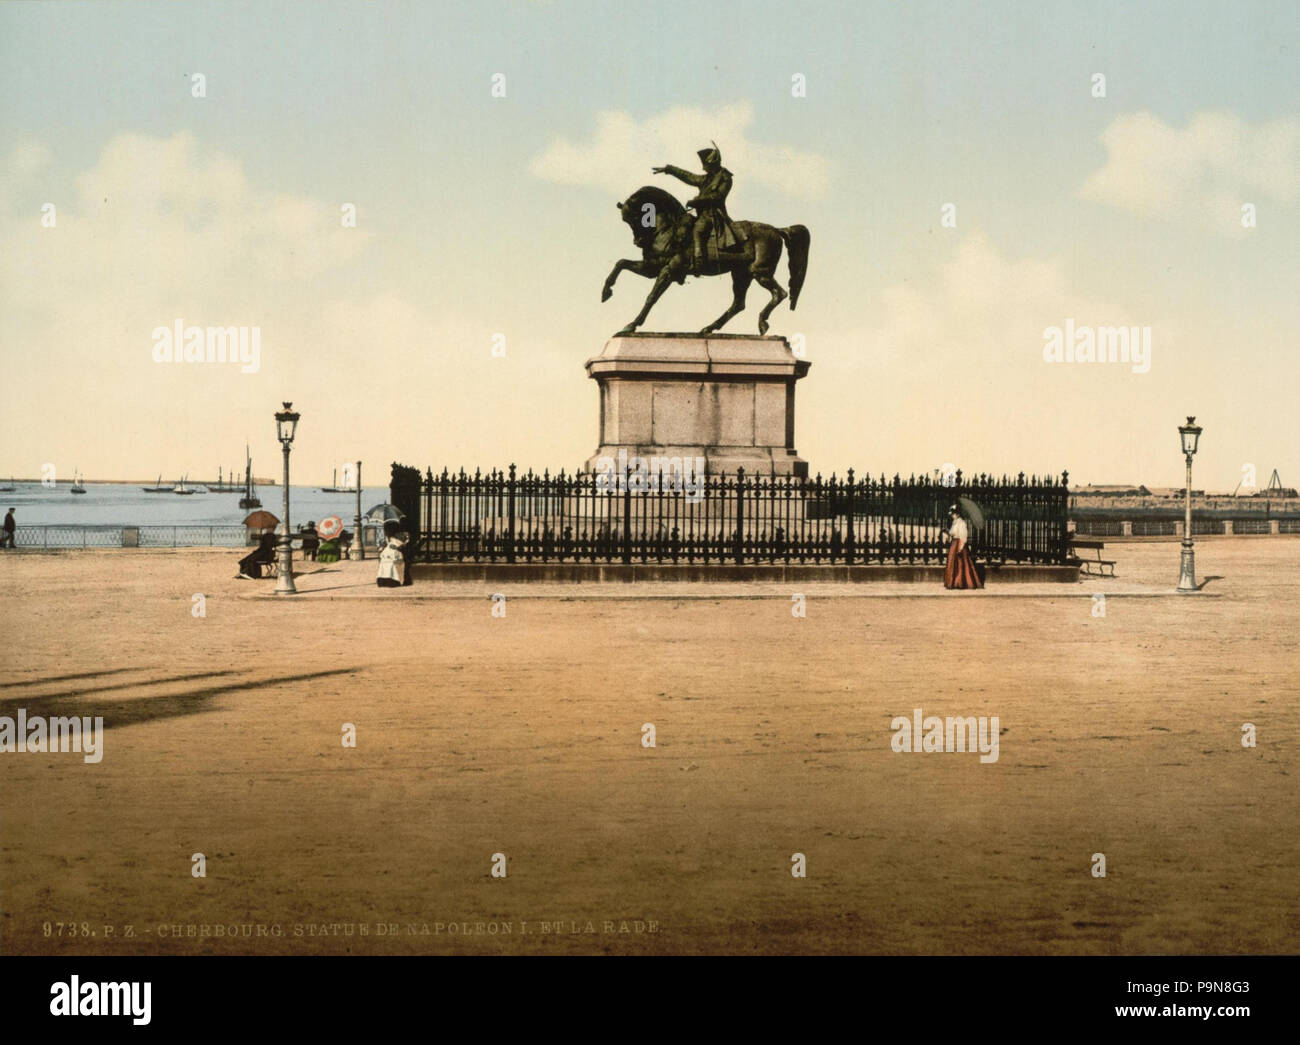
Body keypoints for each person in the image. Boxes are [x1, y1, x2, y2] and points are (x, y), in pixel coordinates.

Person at [654, 142, 743, 274]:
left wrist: (697, 201)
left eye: (705, 165)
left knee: (698, 229)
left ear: (712, 163)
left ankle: (698, 261)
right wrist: (669, 169)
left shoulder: (725, 178)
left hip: (713, 215)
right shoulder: (707, 178)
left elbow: (718, 196)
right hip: (702, 214)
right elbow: (689, 177)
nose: (703, 168)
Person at [942, 504, 983, 590]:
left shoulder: (961, 523)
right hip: (954, 543)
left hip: (959, 544)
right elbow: (953, 533)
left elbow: (963, 536)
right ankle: (953, 582)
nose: (952, 516)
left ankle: (961, 582)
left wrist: (960, 547)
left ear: (957, 514)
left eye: (953, 514)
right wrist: (947, 532)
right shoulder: (955, 522)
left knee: (961, 564)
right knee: (953, 563)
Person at [376, 521, 405, 588]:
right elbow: (382, 547)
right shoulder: (386, 539)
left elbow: (402, 546)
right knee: (384, 562)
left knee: (391, 563)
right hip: (387, 554)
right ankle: (384, 580)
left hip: (396, 555)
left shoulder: (398, 537)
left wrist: (397, 547)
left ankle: (392, 581)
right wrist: (382, 547)